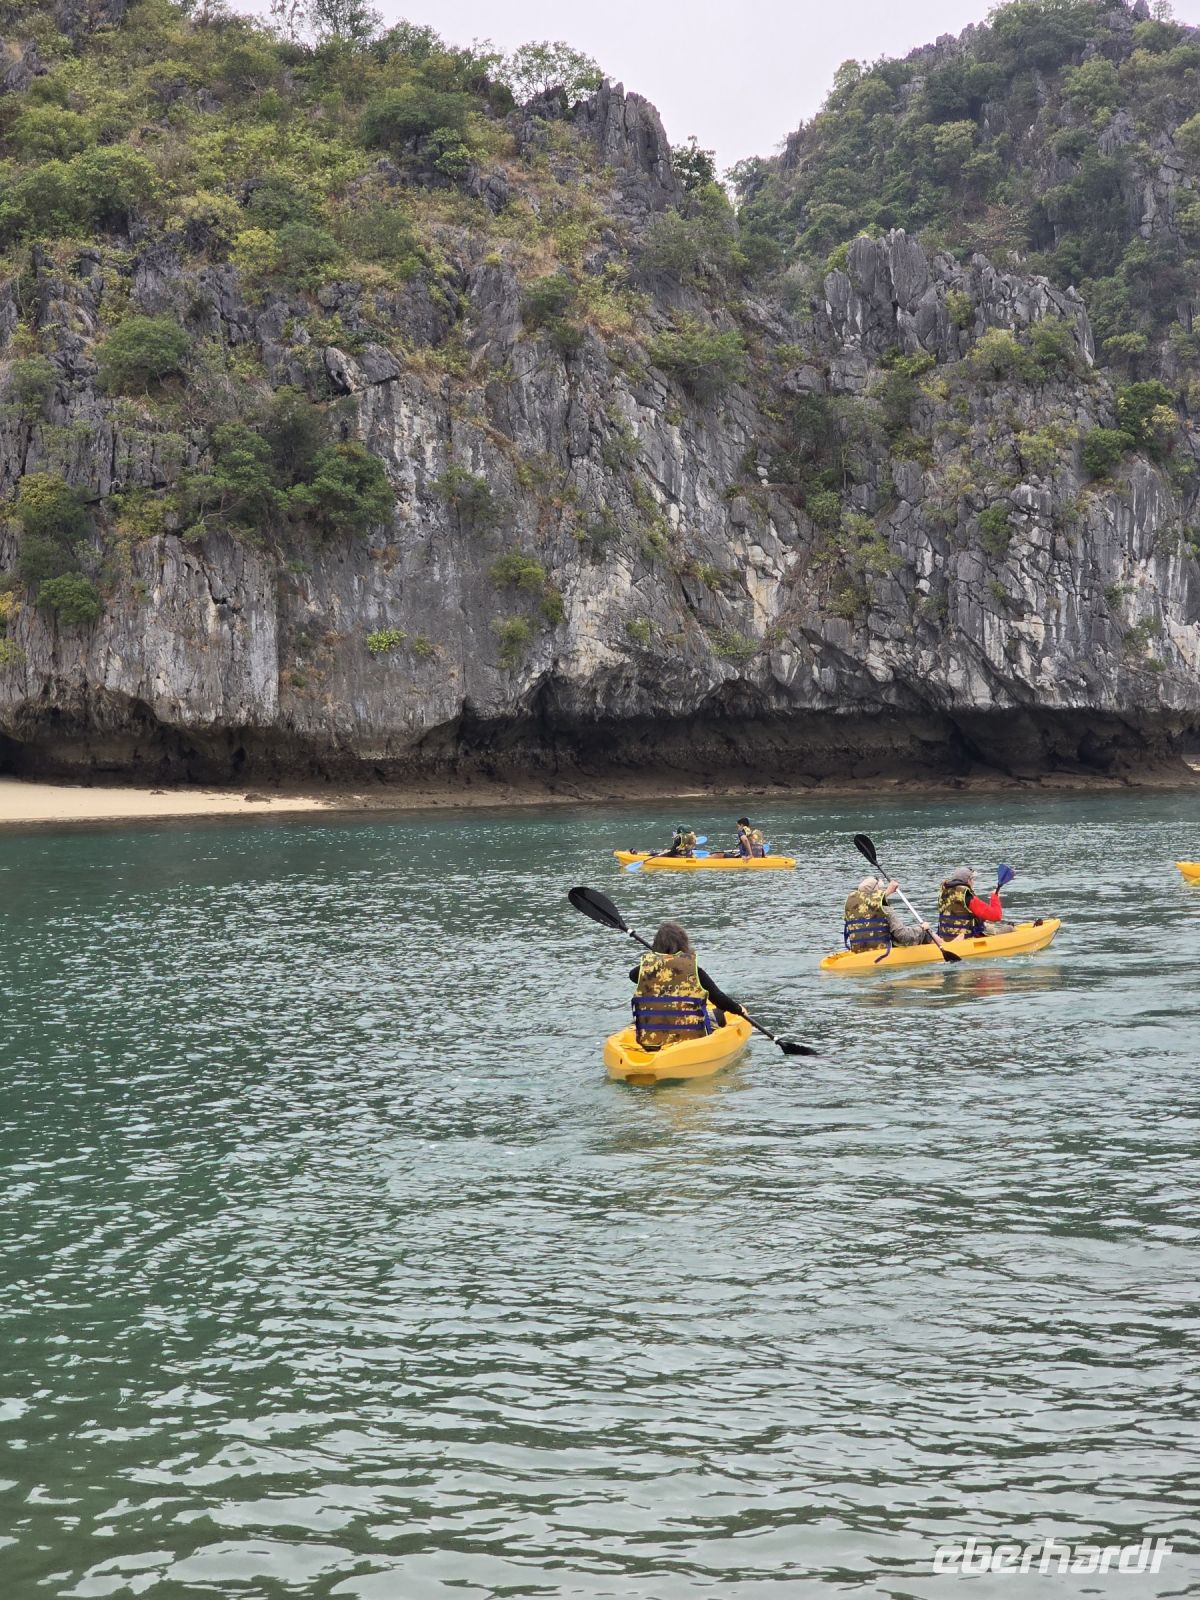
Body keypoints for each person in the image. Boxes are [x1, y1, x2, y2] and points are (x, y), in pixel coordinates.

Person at [629, 921, 744, 1048]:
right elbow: (719, 999)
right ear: (683, 944)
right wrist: (738, 1009)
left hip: (653, 1036)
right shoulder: (694, 971)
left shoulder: (645, 970)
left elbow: (633, 976)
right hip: (691, 1035)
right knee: (720, 1011)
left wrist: (657, 961)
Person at [843, 876, 931, 954]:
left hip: (858, 952)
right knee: (925, 934)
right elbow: (903, 935)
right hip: (882, 953)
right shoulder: (884, 909)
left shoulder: (852, 910)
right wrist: (921, 928)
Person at [937, 867, 1012, 939]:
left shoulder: (944, 893)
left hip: (945, 938)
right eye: (972, 879)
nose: (973, 882)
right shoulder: (966, 895)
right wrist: (995, 897)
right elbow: (996, 916)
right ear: (968, 881)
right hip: (967, 939)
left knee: (988, 926)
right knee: (1010, 928)